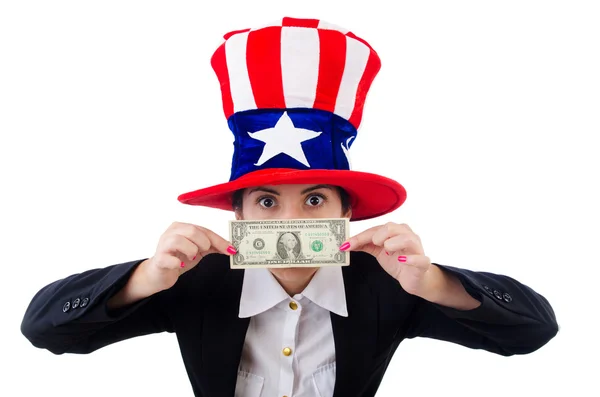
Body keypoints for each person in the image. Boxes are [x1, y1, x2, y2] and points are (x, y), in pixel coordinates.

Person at [20, 17, 558, 397]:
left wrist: (435, 283)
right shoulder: (194, 282)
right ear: (239, 218)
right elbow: (45, 328)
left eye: (316, 200)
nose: (291, 222)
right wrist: (144, 278)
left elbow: (533, 331)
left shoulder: (389, 287)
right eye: (267, 200)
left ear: (346, 215)